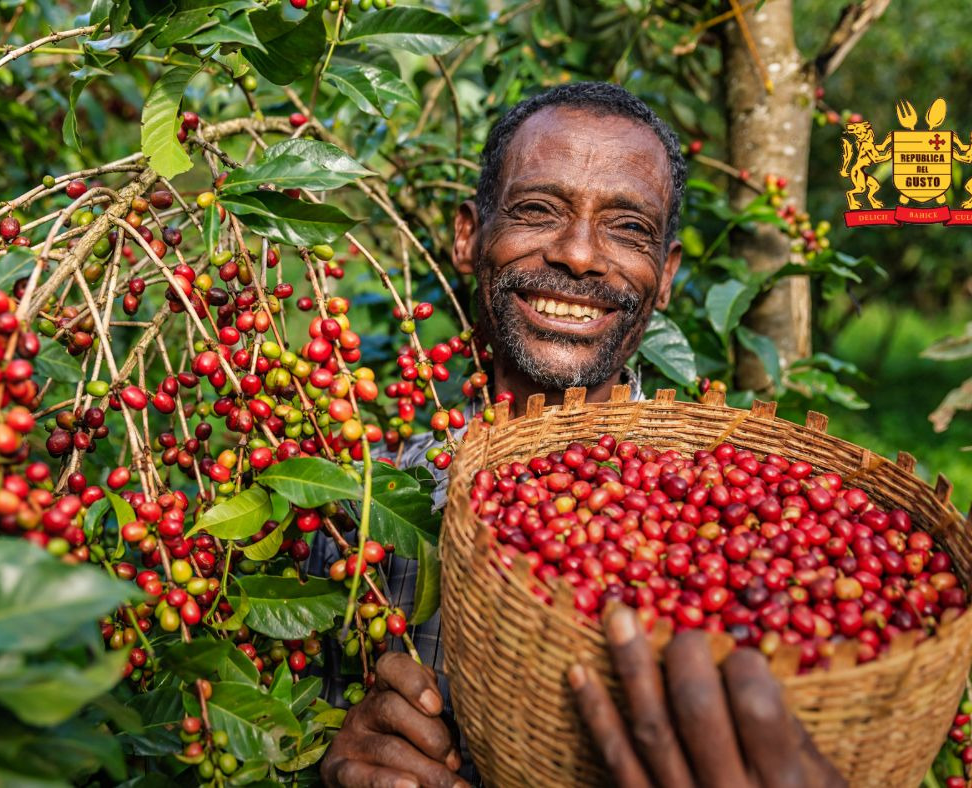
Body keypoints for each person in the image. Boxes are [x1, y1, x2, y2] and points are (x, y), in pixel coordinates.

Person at [318, 82, 845, 788]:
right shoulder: (356, 516)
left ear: (666, 276)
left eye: (627, 228)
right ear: (470, 235)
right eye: (538, 210)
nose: (578, 254)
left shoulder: (737, 517)